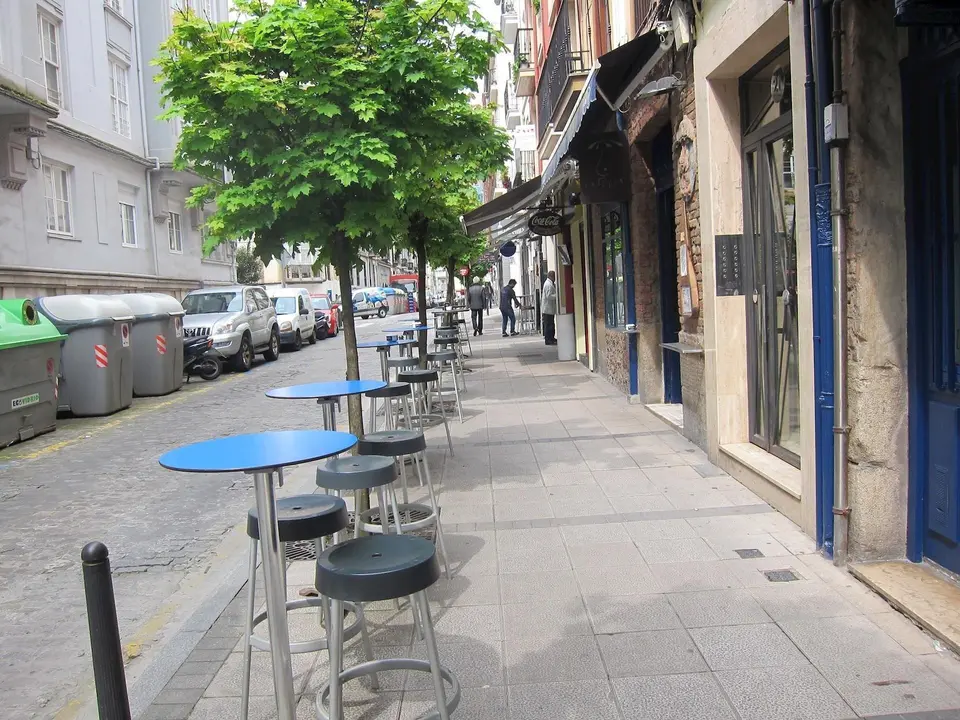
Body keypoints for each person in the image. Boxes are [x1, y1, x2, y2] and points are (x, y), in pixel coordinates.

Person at [541, 270, 558, 346]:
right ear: (551, 276)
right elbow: (549, 296)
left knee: (551, 324)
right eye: (554, 276)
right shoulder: (548, 284)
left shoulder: (550, 284)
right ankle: (548, 339)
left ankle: (551, 338)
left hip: (549, 308)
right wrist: (557, 295)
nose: (555, 278)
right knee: (549, 325)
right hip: (548, 308)